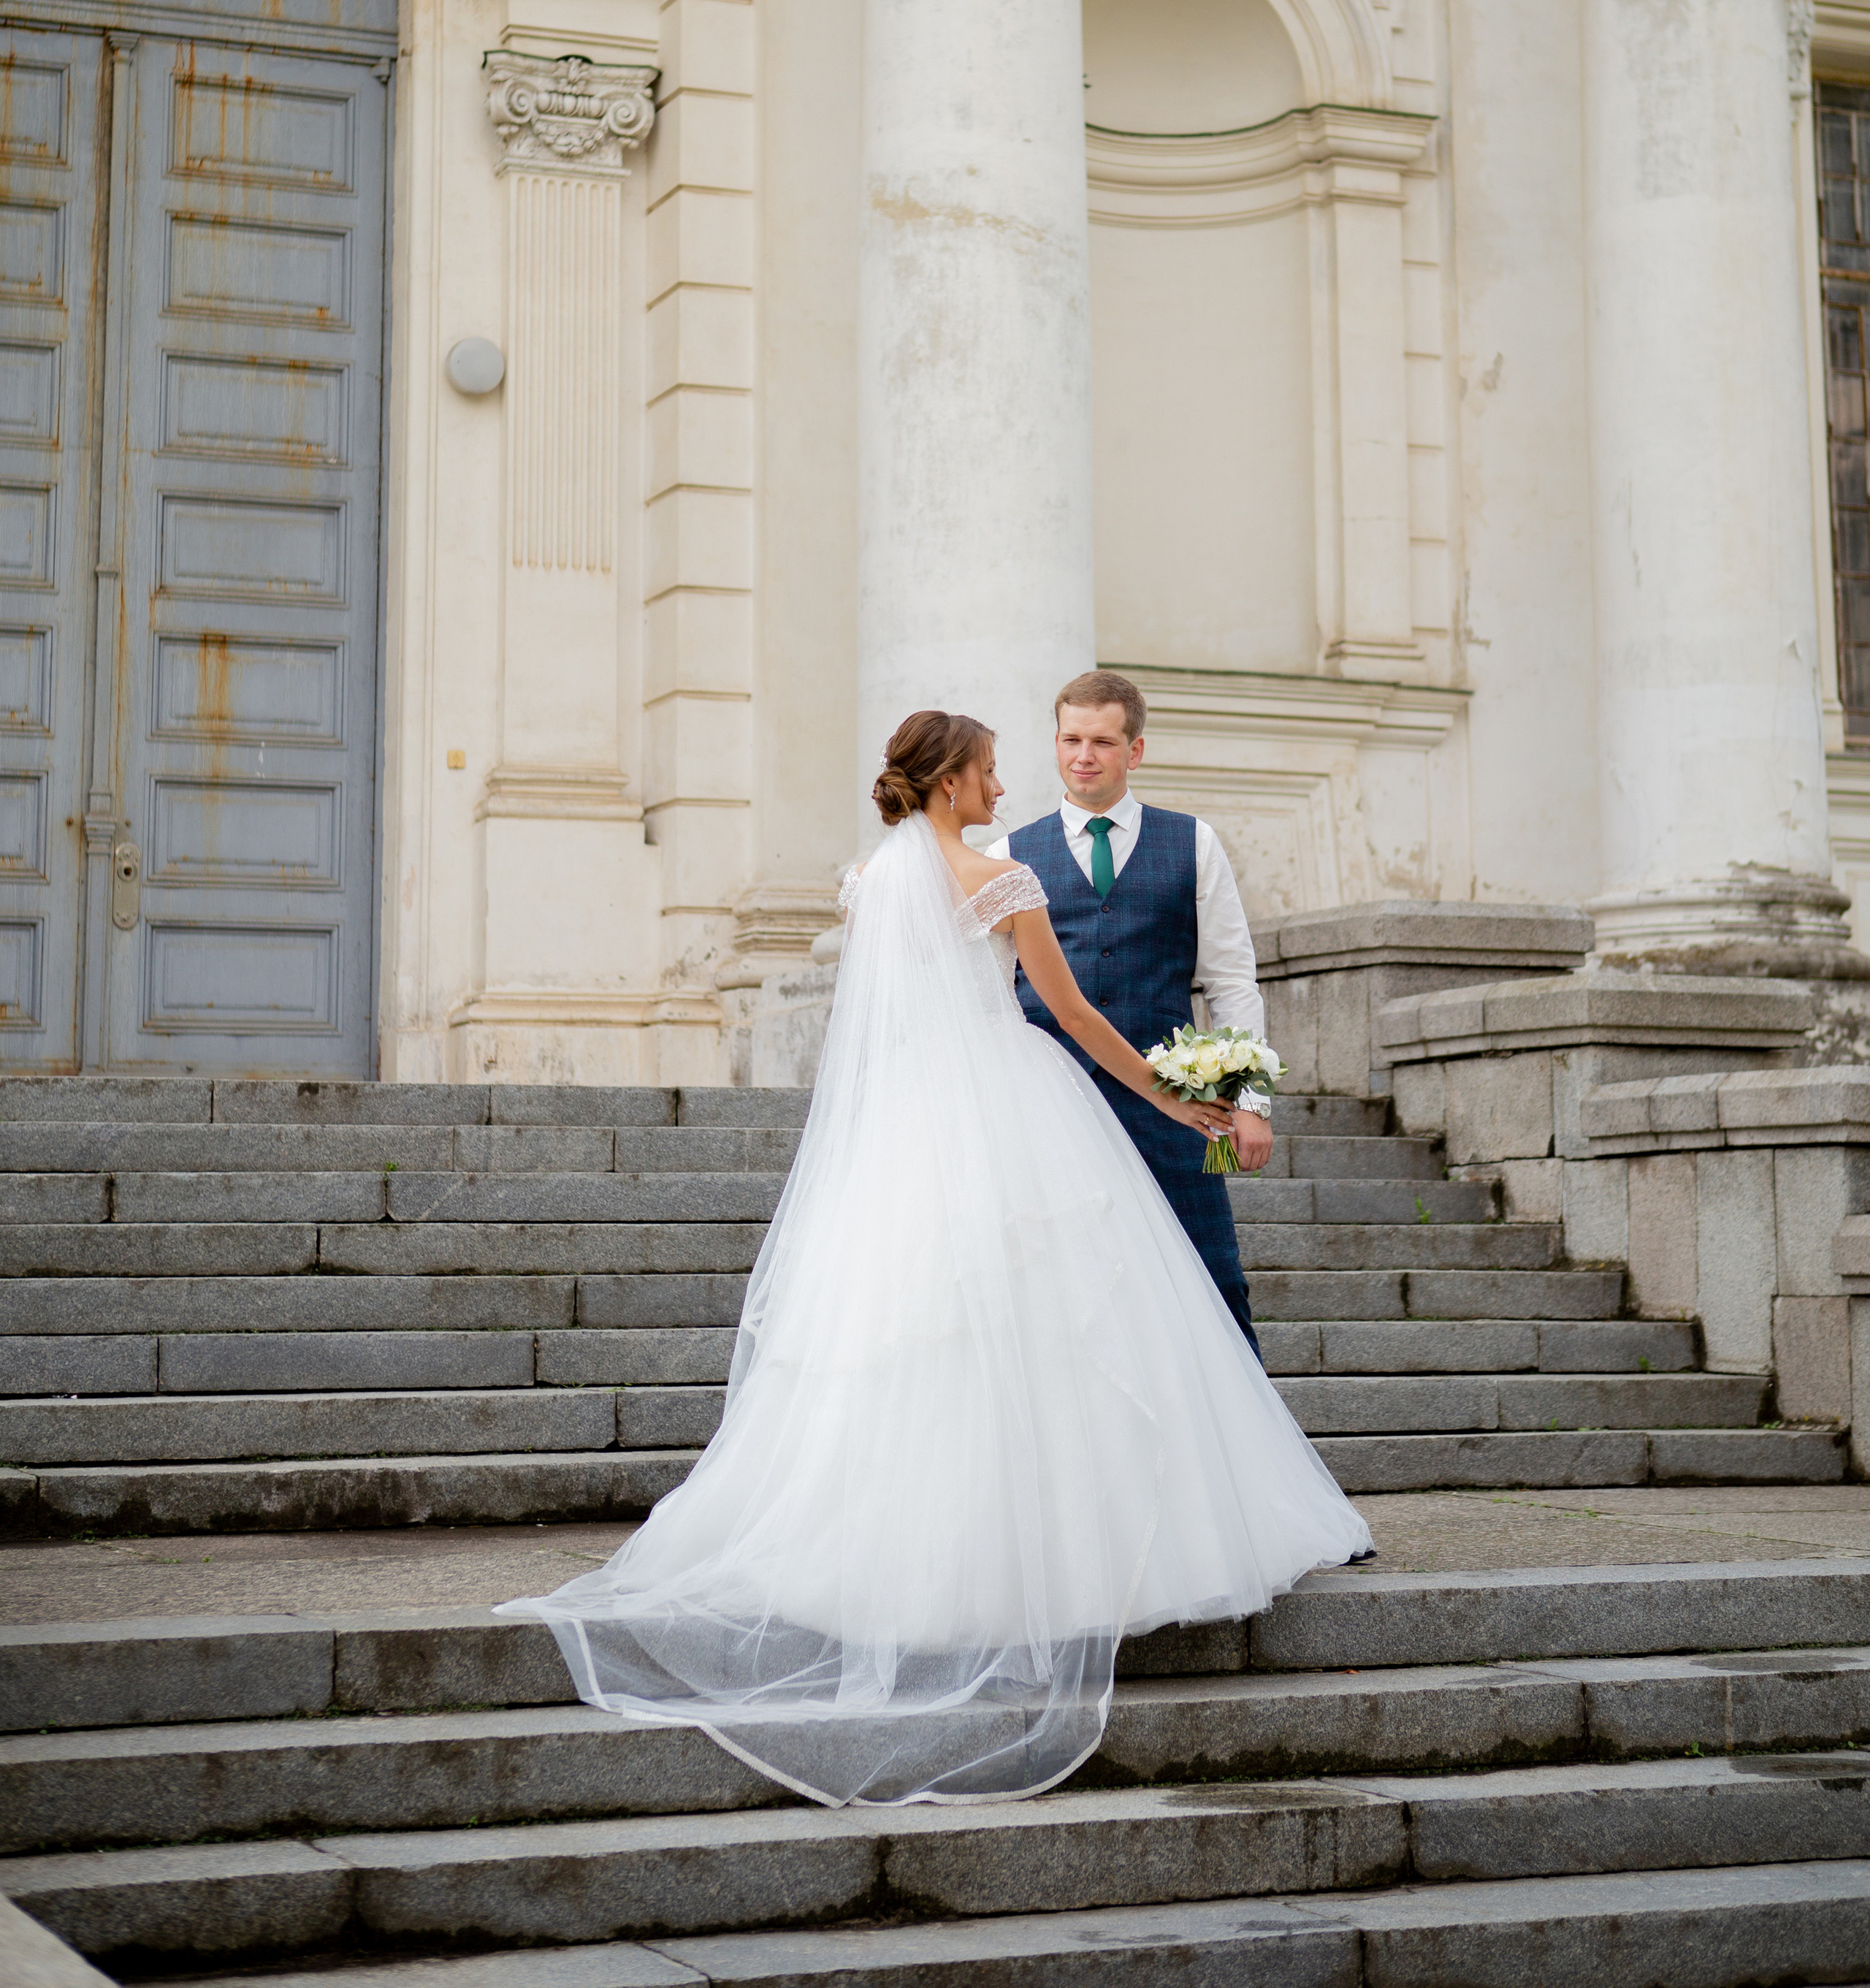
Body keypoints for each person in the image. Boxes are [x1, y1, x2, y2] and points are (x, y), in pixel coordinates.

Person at [497, 710, 1372, 1810]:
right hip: (1010, 1106)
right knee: (1063, 1327)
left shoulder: (870, 882)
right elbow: (1079, 1021)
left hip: (904, 1128)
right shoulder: (1002, 887)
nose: (1006, 785)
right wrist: (1181, 1102)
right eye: (992, 769)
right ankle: (1052, 1565)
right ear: (951, 781)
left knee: (908, 1334)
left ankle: (899, 1571)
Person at [993, 669, 1271, 1353]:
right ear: (1055, 744)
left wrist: (1252, 1103)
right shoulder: (1008, 854)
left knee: (1214, 1281)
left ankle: (1232, 1453)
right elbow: (996, 994)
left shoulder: (1194, 842)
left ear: (1135, 751)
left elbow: (1232, 979)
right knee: (1066, 1293)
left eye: (1103, 742)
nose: (1084, 755)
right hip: (1051, 1107)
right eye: (1071, 739)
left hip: (1177, 1104)